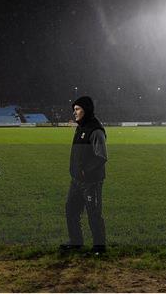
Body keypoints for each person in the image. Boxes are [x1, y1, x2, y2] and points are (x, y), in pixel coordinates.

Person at [60, 96, 107, 255]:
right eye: (74, 110)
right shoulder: (81, 127)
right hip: (76, 180)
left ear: (86, 110)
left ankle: (99, 248)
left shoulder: (96, 130)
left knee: (93, 213)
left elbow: (101, 156)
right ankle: (76, 242)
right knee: (71, 210)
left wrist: (86, 172)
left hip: (91, 181)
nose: (75, 113)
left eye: (78, 109)